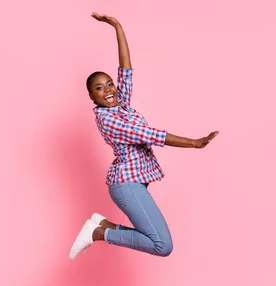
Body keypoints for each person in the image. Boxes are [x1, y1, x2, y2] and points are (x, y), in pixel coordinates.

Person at [69, 12, 219, 260]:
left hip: (133, 183)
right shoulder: (108, 120)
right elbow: (150, 135)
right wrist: (194, 143)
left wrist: (116, 26)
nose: (107, 89)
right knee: (162, 245)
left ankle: (102, 226)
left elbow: (126, 69)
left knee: (159, 241)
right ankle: (98, 232)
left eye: (109, 84)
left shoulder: (121, 105)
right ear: (92, 98)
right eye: (99, 88)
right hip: (125, 185)